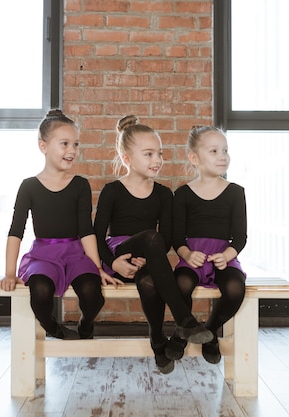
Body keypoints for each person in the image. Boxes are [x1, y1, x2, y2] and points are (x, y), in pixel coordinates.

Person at [94, 115, 213, 374]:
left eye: (159, 154)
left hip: (149, 260)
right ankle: (185, 319)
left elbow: (167, 238)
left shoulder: (162, 194)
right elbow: (97, 235)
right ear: (127, 159)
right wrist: (113, 261)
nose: (157, 160)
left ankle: (158, 343)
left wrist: (150, 257)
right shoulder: (112, 191)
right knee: (150, 237)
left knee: (150, 281)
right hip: (118, 256)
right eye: (148, 154)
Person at [0, 109, 120, 340]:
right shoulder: (29, 186)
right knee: (41, 291)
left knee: (92, 292)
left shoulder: (80, 185)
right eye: (64, 144)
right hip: (43, 254)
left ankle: (86, 323)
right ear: (43, 146)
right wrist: (9, 273)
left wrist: (97, 267)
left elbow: (86, 230)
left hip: (75, 253)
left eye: (75, 144)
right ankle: (53, 328)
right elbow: (16, 232)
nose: (72, 151)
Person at [166, 125, 247, 365]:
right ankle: (184, 329)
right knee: (180, 284)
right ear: (194, 158)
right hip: (193, 257)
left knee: (234, 288)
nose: (223, 156)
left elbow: (240, 237)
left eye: (225, 150)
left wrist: (227, 255)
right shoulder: (183, 194)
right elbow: (176, 238)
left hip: (224, 257)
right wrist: (187, 254)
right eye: (214, 151)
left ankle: (210, 331)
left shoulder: (235, 192)